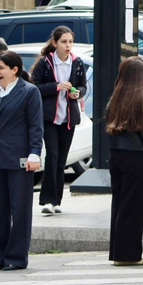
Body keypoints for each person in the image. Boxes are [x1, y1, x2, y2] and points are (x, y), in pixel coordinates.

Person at [0, 51, 44, 271]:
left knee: (19, 210)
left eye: (1, 68)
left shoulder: (29, 91)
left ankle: (16, 257)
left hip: (20, 158)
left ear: (14, 69)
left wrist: (34, 153)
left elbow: (36, 125)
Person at [105, 57, 143, 267]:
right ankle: (130, 254)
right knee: (133, 206)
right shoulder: (140, 100)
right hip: (135, 156)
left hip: (116, 155)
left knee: (118, 204)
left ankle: (117, 252)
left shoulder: (115, 98)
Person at [31, 26, 87, 215]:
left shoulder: (77, 63)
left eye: (70, 41)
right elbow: (35, 87)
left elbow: (83, 87)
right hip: (49, 118)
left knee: (62, 160)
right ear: (55, 43)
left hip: (68, 118)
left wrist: (77, 93)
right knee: (52, 156)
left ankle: (56, 201)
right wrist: (56, 87)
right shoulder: (45, 63)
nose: (68, 45)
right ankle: (47, 200)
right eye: (64, 42)